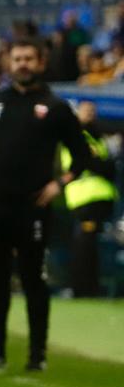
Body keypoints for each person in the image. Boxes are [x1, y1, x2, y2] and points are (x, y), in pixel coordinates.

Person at [0, 38, 92, 371]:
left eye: (29, 58)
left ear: (40, 62)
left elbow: (83, 155)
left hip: (32, 208)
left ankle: (36, 354)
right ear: (8, 63)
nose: (22, 63)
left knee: (32, 280)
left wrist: (59, 183)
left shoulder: (55, 107)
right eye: (17, 58)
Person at [60, 101, 118, 297]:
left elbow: (107, 165)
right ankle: (83, 287)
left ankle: (88, 285)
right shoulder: (77, 136)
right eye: (86, 111)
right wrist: (103, 166)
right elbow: (93, 164)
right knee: (84, 243)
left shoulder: (96, 137)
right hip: (85, 196)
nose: (91, 115)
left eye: (93, 111)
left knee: (89, 243)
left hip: (98, 196)